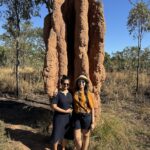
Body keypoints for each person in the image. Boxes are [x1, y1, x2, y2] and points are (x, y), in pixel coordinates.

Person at [51, 75, 73, 150]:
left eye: (67, 84)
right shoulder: (57, 94)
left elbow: (72, 105)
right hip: (59, 118)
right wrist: (65, 111)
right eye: (64, 83)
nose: (66, 85)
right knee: (56, 135)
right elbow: (53, 106)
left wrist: (71, 109)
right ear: (61, 84)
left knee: (65, 135)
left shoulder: (70, 94)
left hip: (67, 118)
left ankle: (63, 148)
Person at [73, 75, 95, 150]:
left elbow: (92, 108)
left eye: (83, 82)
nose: (81, 83)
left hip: (86, 116)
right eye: (79, 81)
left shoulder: (88, 94)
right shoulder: (75, 92)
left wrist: (93, 122)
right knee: (77, 137)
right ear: (77, 83)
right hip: (77, 116)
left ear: (85, 83)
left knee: (86, 136)